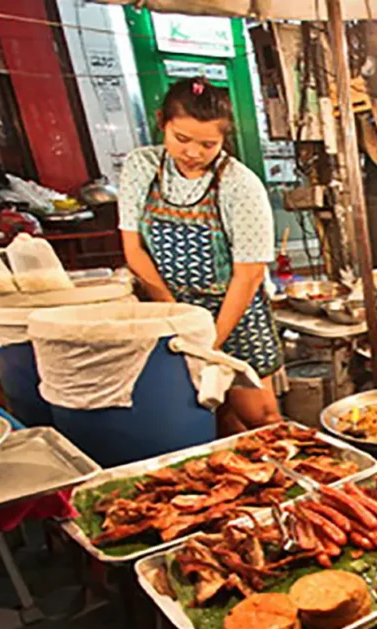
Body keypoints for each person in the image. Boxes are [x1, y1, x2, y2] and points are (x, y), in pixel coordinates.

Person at [118, 77, 282, 433]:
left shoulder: (239, 184)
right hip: (170, 312)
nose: (193, 153)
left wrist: (209, 341)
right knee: (209, 417)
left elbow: (249, 274)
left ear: (224, 139)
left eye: (208, 144)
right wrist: (176, 316)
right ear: (162, 121)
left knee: (263, 421)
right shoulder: (141, 168)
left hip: (234, 314)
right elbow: (134, 248)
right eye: (181, 139)